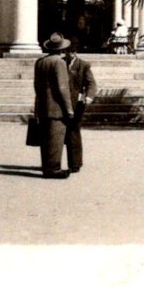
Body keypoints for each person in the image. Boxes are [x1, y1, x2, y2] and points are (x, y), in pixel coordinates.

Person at [32, 33, 74, 179]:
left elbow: (36, 85)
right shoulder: (59, 63)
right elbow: (62, 88)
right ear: (62, 49)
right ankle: (53, 169)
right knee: (56, 139)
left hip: (43, 105)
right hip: (56, 107)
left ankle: (46, 166)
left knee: (45, 139)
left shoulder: (40, 62)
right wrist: (69, 108)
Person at [62, 42, 97, 175]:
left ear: (76, 52)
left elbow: (91, 83)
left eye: (72, 52)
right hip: (62, 102)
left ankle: (75, 164)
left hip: (77, 103)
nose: (70, 54)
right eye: (67, 52)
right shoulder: (60, 63)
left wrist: (89, 97)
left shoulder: (83, 65)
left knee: (73, 132)